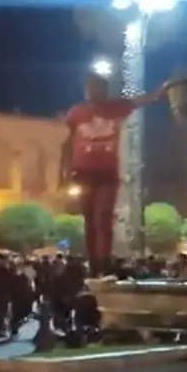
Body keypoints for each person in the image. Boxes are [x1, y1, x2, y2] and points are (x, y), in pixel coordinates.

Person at [62, 72, 165, 276]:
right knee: (89, 219)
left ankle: (103, 261)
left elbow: (141, 101)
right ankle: (94, 263)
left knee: (103, 216)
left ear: (104, 90)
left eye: (97, 87)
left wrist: (160, 92)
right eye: (89, 87)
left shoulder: (115, 108)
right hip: (82, 172)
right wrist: (65, 169)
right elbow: (68, 142)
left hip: (106, 173)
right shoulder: (76, 113)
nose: (92, 91)